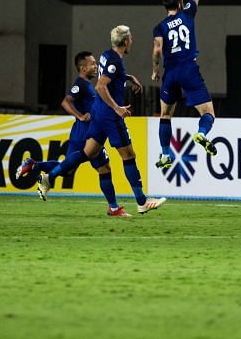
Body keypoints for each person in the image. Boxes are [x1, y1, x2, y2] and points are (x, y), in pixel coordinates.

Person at [34, 25, 167, 215]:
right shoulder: (114, 61)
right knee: (128, 156)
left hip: (98, 113)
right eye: (131, 38)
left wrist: (128, 77)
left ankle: (49, 178)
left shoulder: (107, 55)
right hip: (109, 116)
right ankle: (142, 201)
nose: (132, 41)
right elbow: (100, 86)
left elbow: (109, 76)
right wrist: (117, 108)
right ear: (125, 41)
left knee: (87, 153)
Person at [16, 50, 130, 217]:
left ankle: (35, 165)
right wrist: (81, 115)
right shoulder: (81, 84)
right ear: (83, 68)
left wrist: (127, 77)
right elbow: (66, 101)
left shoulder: (88, 84)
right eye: (92, 64)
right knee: (103, 168)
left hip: (82, 131)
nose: (96, 66)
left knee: (70, 169)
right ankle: (113, 208)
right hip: (85, 133)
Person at [151, 0, 217, 171]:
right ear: (180, 4)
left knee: (165, 115)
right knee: (207, 113)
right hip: (189, 70)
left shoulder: (159, 26)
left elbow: (157, 49)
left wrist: (155, 69)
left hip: (170, 73)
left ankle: (165, 154)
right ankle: (201, 133)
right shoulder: (187, 14)